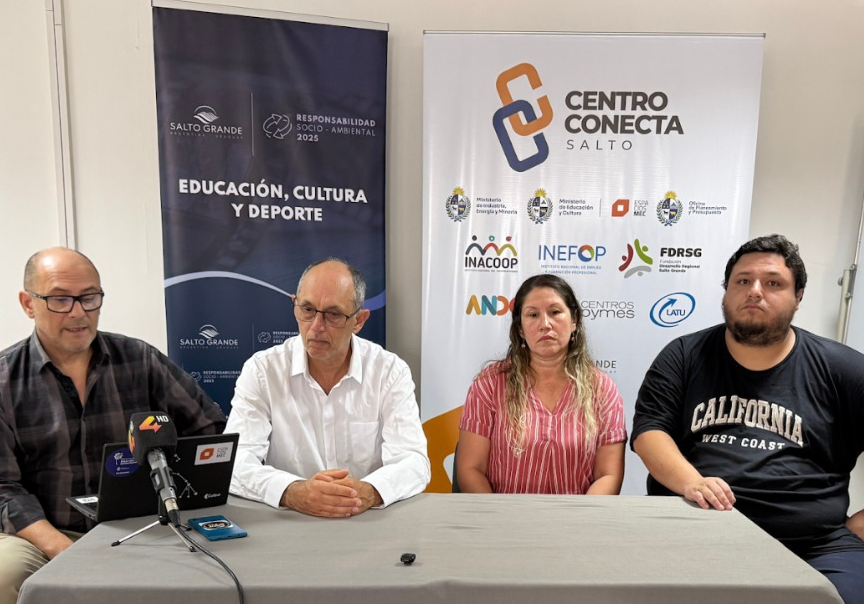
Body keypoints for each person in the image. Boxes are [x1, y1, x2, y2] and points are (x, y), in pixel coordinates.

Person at [631, 234, 864, 604]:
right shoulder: (683, 356)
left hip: (813, 545)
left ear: (798, 296)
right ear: (726, 292)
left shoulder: (844, 369)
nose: (755, 291)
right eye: (742, 281)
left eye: (773, 283)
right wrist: (692, 482)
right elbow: (649, 433)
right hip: (689, 531)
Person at [0, 247, 226, 604]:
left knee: (219, 566)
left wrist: (174, 497)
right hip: (45, 532)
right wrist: (61, 547)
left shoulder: (140, 359)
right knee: (5, 574)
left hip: (140, 522)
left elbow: (209, 430)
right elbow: (3, 488)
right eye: (60, 299)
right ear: (28, 304)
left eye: (89, 297)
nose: (79, 312)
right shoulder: (5, 380)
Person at [225, 258, 430, 517]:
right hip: (290, 520)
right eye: (307, 309)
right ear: (295, 306)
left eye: (333, 315)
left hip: (365, 519)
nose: (316, 327)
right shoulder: (263, 370)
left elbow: (413, 461)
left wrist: (365, 492)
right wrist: (293, 492)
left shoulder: (389, 372)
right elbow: (235, 460)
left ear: (359, 320)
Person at [457, 274, 626, 494]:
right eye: (533, 315)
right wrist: (495, 515)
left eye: (555, 312)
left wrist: (581, 515)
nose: (545, 324)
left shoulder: (602, 389)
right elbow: (471, 469)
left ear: (574, 321)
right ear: (520, 329)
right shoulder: (490, 385)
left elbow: (608, 474)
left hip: (578, 514)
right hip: (503, 513)